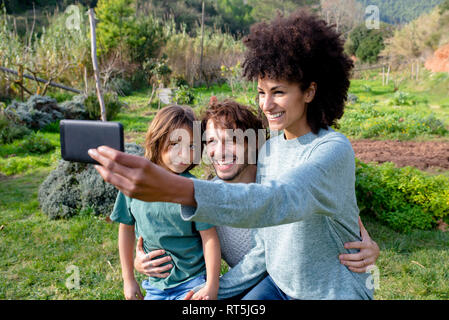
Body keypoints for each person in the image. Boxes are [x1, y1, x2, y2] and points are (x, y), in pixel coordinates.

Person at [89, 9, 377, 299]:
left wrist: (175, 188)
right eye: (261, 93)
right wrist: (211, 291)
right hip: (277, 286)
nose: (266, 104)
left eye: (278, 92)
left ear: (310, 92)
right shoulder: (271, 150)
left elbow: (280, 199)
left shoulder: (332, 149)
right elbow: (266, 243)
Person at [133, 100, 380, 300]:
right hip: (259, 287)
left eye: (232, 140)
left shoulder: (278, 185)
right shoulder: (211, 197)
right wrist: (142, 260)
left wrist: (367, 244)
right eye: (211, 141)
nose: (219, 152)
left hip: (301, 285)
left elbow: (326, 210)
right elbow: (177, 239)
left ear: (255, 144)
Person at [109, 105, 221, 300]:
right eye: (175, 144)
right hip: (155, 286)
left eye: (192, 146)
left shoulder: (194, 188)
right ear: (157, 140)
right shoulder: (134, 183)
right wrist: (128, 279)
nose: (185, 154)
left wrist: (211, 286)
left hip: (193, 283)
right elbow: (125, 228)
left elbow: (209, 238)